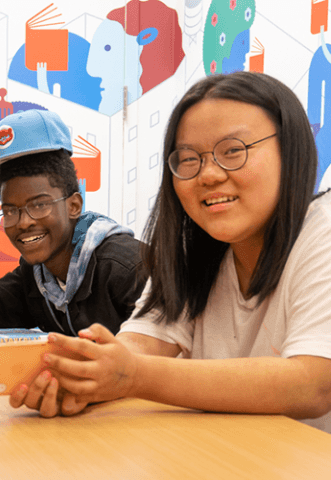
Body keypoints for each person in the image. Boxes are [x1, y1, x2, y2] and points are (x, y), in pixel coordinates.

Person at [27, 72, 331, 430]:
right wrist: (83, 378)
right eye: (188, 159)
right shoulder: (193, 251)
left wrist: (132, 376)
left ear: (291, 149)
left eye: (233, 150)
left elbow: (314, 383)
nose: (208, 175)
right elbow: (141, 344)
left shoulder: (322, 230)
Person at [0, 109, 146, 340]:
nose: (24, 223)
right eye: (10, 210)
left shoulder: (130, 269)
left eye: (40, 205)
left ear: (74, 205)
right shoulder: (37, 277)